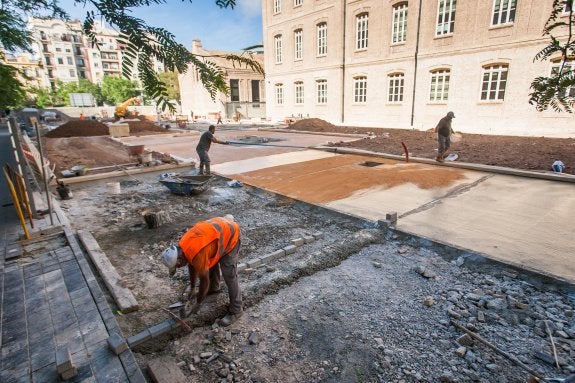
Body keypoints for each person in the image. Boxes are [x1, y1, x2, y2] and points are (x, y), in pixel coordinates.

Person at [160, 215, 243, 326]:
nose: (179, 267)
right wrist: (193, 288)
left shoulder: (196, 253)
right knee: (207, 263)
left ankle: (237, 310)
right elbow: (191, 265)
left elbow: (204, 281)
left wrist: (198, 303)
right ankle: (214, 289)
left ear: (179, 258)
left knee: (229, 274)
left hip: (231, 235)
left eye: (177, 266)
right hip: (216, 234)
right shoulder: (183, 247)